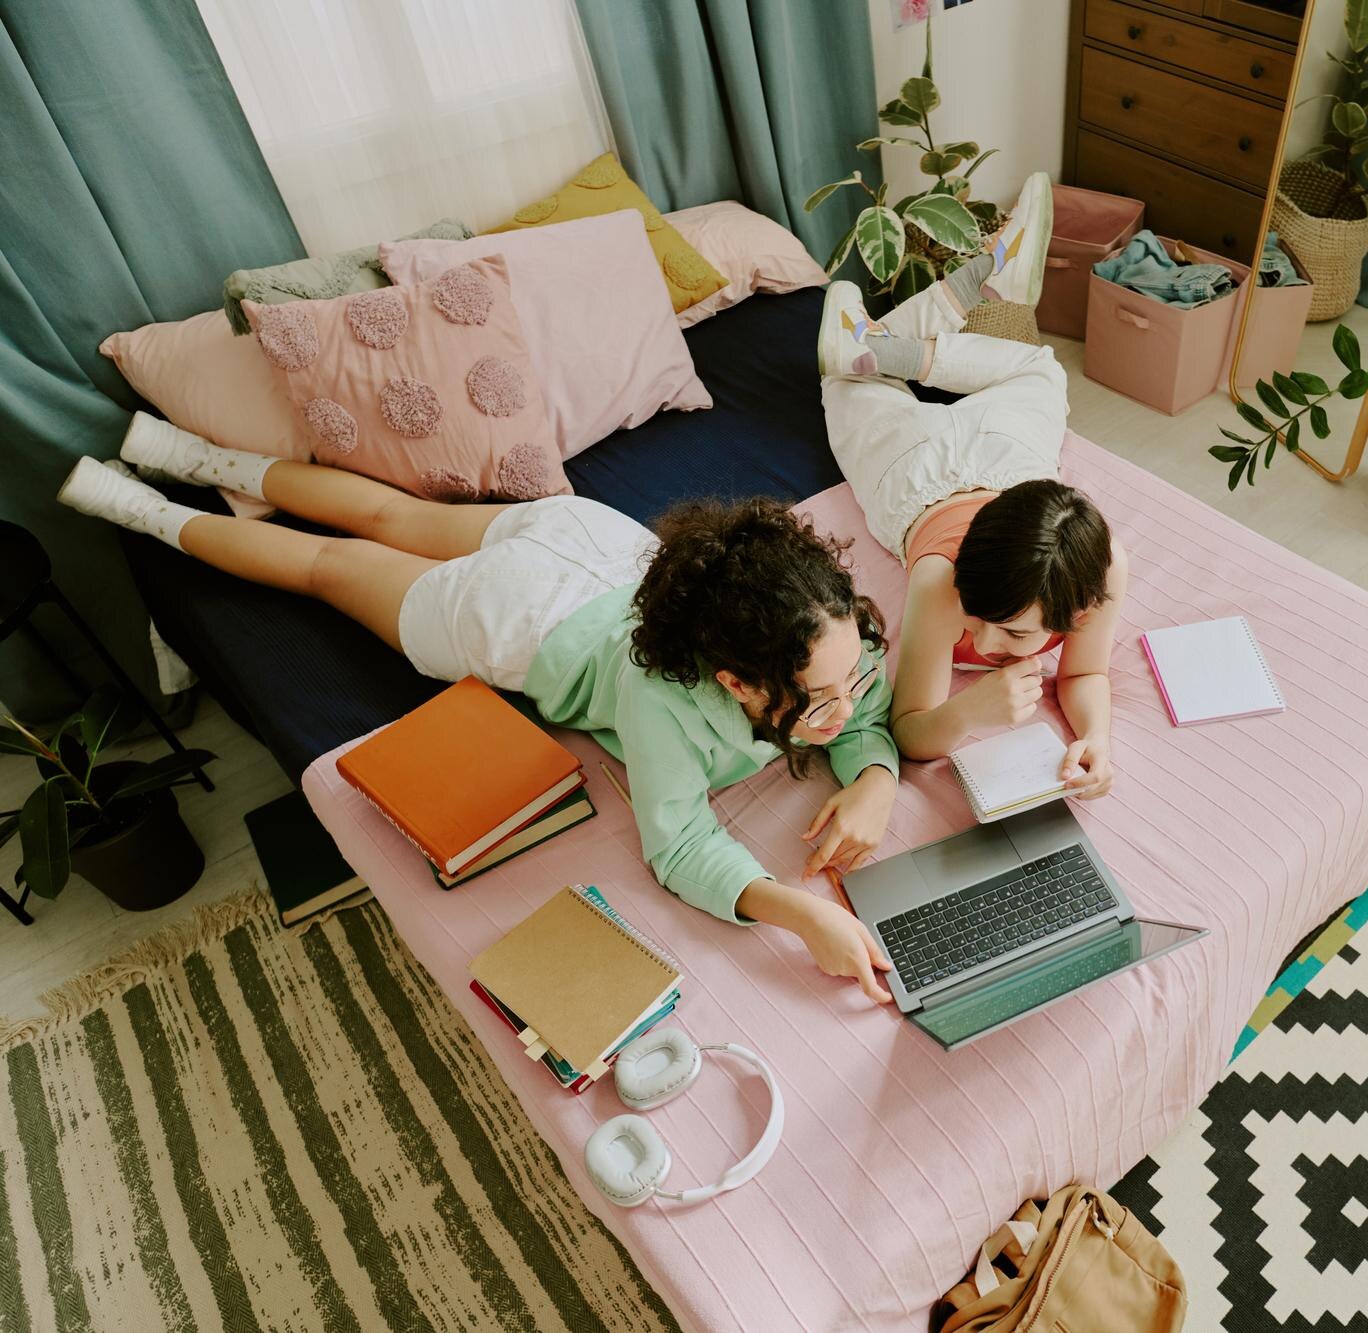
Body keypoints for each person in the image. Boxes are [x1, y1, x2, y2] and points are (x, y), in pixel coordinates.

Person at [58, 429, 899, 1001]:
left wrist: (873, 777)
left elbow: (870, 708)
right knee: (333, 560)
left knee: (399, 515)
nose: (845, 701)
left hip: (600, 544)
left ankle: (177, 450)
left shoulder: (822, 638)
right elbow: (678, 842)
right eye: (818, 699)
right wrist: (802, 911)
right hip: (518, 611)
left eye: (849, 673)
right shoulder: (668, 703)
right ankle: (149, 505)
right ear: (737, 681)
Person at [819, 172, 1128, 796]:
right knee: (845, 380)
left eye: (1015, 633)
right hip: (915, 471)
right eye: (983, 619)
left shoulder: (1101, 570)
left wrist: (1096, 736)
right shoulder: (941, 581)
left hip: (1010, 465)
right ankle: (900, 324)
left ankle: (944, 304)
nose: (986, 643)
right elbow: (909, 731)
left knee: (1041, 371)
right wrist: (968, 711)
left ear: (1081, 609)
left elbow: (1081, 675)